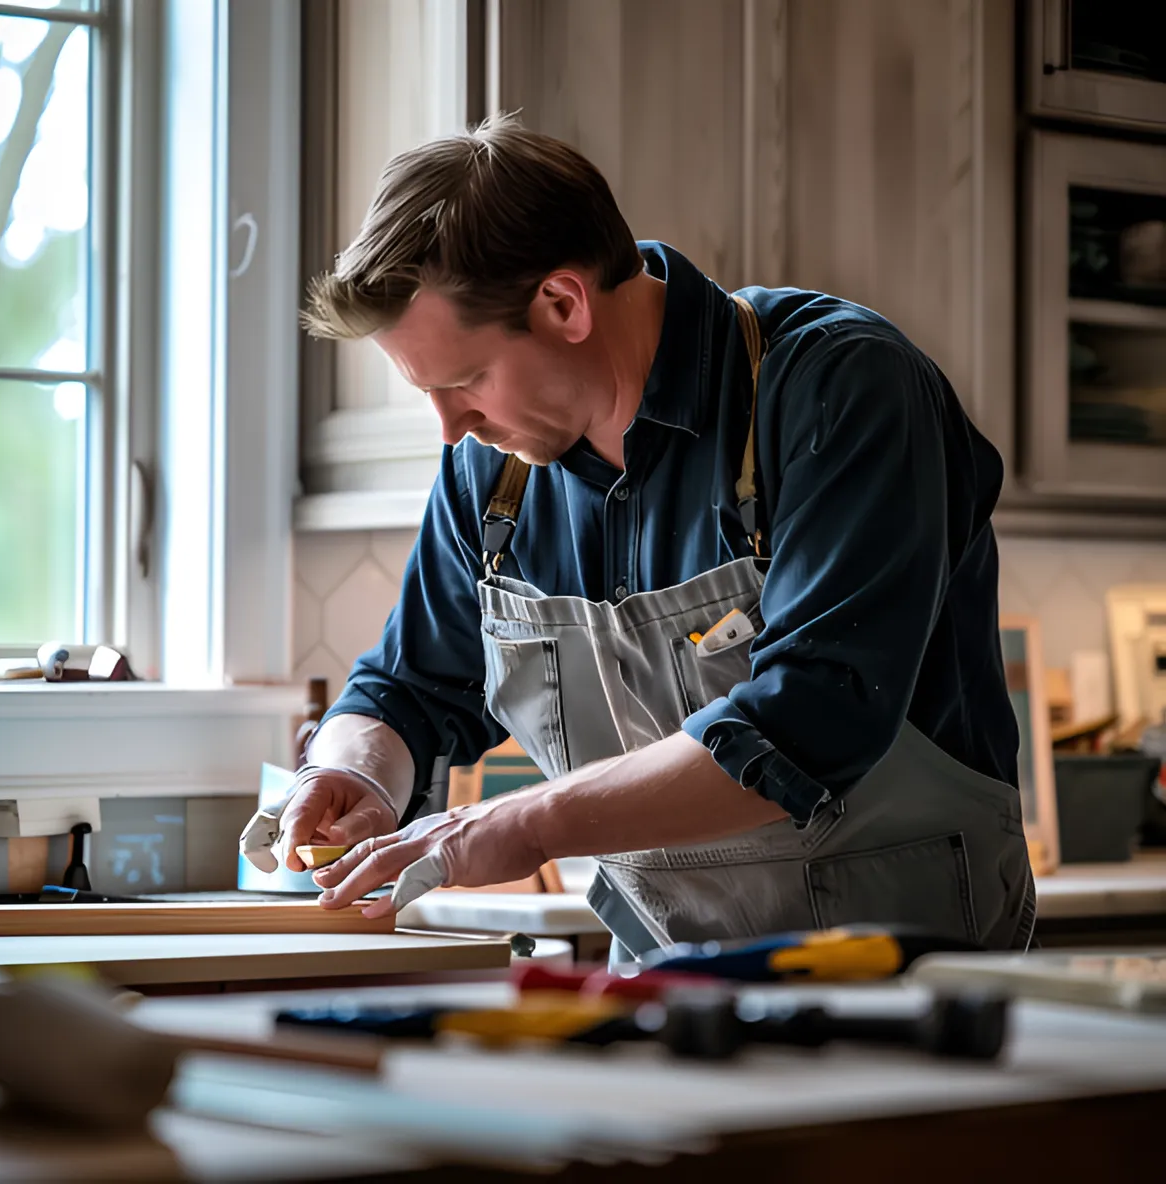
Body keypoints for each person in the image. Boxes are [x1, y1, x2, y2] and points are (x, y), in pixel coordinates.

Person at [240, 114, 1035, 961]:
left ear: (562, 302)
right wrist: (352, 770)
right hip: (665, 982)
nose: (450, 428)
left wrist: (525, 822)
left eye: (467, 379)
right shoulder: (494, 473)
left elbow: (810, 719)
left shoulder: (841, 388)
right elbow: (409, 689)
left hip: (909, 987)